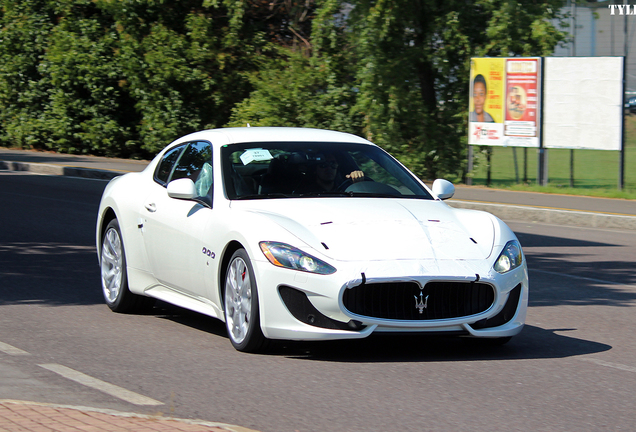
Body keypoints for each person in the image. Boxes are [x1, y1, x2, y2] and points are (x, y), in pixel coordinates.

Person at [296, 153, 364, 193]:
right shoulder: (305, 193)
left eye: (333, 164)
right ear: (315, 170)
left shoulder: (346, 190)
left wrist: (358, 182)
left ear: (338, 167)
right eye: (323, 165)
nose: (329, 168)